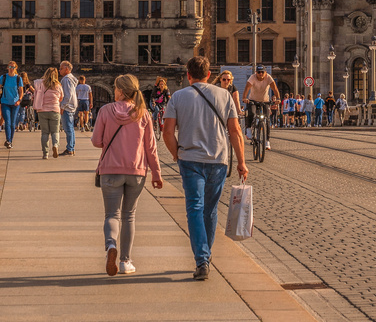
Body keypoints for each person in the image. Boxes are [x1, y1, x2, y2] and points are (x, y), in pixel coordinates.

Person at [163, 56, 249, 282]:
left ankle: (201, 259)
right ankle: (205, 256)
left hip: (190, 159)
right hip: (219, 160)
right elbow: (235, 132)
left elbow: (167, 132)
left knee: (194, 208)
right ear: (210, 74)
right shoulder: (225, 95)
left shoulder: (178, 97)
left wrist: (176, 154)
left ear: (188, 75)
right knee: (209, 210)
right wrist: (241, 161)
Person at [92, 73, 163, 277]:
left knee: (111, 215)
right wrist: (156, 174)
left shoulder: (106, 111)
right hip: (136, 171)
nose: (114, 91)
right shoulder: (143, 113)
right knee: (129, 215)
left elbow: (97, 141)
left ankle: (110, 245)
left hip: (111, 170)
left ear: (121, 91)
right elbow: (151, 147)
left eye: (115, 88)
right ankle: (125, 261)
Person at [242, 66, 278, 150]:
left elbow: (275, 89)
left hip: (264, 101)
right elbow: (247, 88)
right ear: (256, 72)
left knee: (267, 119)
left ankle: (267, 141)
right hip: (253, 100)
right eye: (259, 72)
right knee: (252, 113)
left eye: (262, 72)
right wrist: (244, 98)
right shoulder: (252, 77)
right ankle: (248, 129)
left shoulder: (268, 77)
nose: (260, 74)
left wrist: (278, 98)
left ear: (265, 73)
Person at [33, 67, 63, 158]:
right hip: (54, 110)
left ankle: (45, 153)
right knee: (55, 131)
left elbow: (35, 94)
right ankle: (55, 145)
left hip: (42, 111)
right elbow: (61, 97)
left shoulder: (40, 84)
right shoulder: (58, 85)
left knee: (45, 132)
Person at [0, 60, 23, 149]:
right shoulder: (3, 77)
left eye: (13, 67)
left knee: (12, 123)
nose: (11, 69)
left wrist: (19, 100)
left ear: (15, 68)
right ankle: (8, 140)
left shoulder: (18, 78)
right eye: (10, 67)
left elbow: (21, 92)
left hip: (15, 103)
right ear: (8, 68)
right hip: (5, 102)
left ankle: (10, 140)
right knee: (7, 121)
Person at [58, 61, 80, 155]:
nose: (59, 70)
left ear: (67, 69)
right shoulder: (70, 78)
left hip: (67, 106)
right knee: (70, 127)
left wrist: (62, 106)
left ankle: (70, 148)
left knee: (68, 128)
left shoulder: (66, 79)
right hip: (71, 105)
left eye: (61, 68)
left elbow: (68, 94)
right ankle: (71, 147)